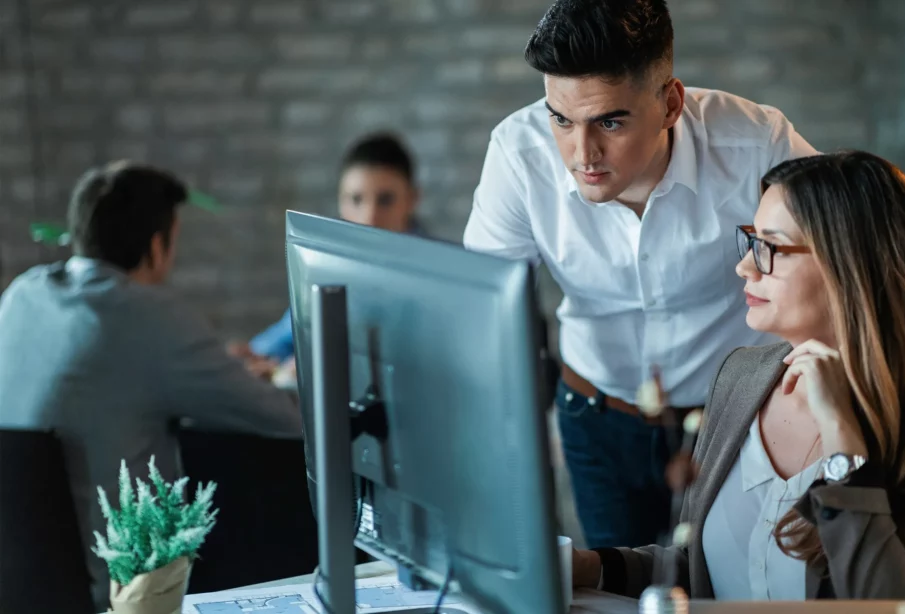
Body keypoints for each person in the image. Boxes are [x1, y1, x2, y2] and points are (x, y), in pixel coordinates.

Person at [571, 151, 905, 600]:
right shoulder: (741, 376)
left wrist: (842, 439)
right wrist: (591, 567)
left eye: (770, 247)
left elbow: (901, 603)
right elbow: (701, 570)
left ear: (848, 263)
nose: (745, 266)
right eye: (751, 240)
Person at [463, 0, 816, 548]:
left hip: (736, 420)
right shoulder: (517, 154)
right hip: (595, 415)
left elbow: (842, 263)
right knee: (613, 583)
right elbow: (481, 312)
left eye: (610, 121)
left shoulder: (757, 144)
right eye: (561, 120)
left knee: (728, 582)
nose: (582, 154)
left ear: (670, 103)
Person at [0, 162, 303, 610]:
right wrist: (282, 379)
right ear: (157, 245)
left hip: (18, 585)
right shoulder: (148, 316)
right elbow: (286, 420)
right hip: (120, 594)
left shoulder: (22, 295)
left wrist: (218, 365)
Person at [237, 133, 426, 367]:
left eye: (385, 200)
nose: (370, 217)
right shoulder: (330, 268)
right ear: (340, 202)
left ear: (412, 199)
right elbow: (287, 335)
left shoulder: (437, 274)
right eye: (356, 200)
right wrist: (255, 358)